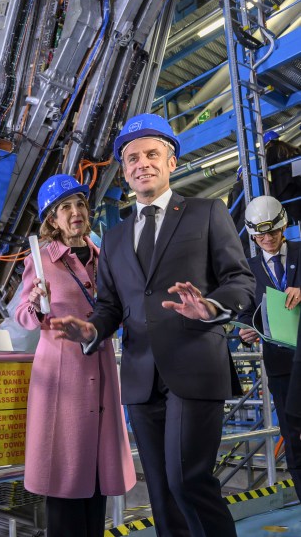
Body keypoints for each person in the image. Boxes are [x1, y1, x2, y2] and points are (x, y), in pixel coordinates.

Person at [50, 113, 255, 537]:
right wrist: (91, 331)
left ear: (171, 162)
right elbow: (109, 305)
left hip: (195, 364)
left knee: (188, 479)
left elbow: (241, 280)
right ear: (124, 171)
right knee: (161, 490)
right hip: (142, 378)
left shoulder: (206, 213)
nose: (141, 163)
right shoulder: (115, 238)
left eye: (151, 154)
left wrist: (211, 307)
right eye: (132, 158)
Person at [15, 174, 135, 537]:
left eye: (80, 204)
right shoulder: (43, 260)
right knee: (65, 478)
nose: (75, 212)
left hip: (100, 370)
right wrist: (35, 302)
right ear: (53, 219)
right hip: (62, 380)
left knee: (97, 475)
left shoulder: (104, 257)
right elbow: (23, 315)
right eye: (65, 207)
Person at [238, 196, 301, 500]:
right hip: (281, 368)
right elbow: (244, 312)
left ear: (284, 225)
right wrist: (246, 331)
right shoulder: (248, 271)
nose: (267, 240)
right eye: (260, 236)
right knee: (294, 440)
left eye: (273, 233)